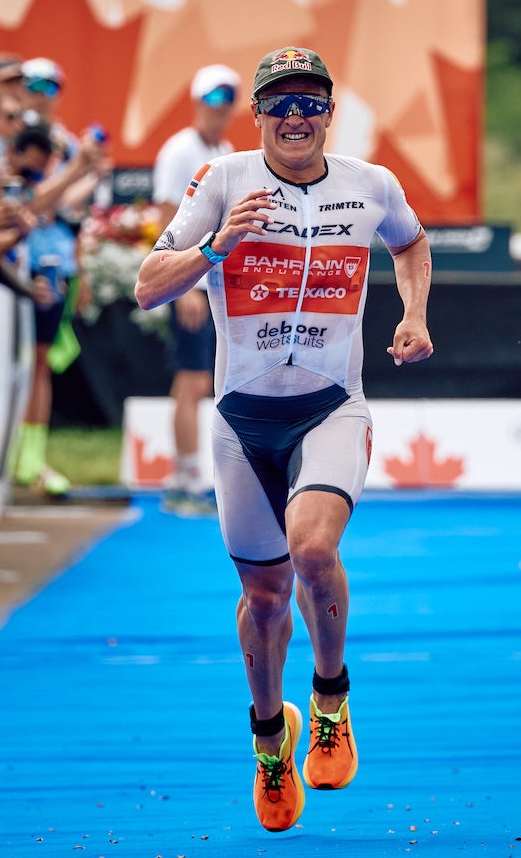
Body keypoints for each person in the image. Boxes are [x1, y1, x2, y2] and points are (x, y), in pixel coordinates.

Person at [134, 46, 434, 833]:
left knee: (311, 548)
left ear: (329, 114)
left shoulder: (373, 186)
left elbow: (410, 242)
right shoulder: (223, 180)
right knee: (264, 600)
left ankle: (331, 697)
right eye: (280, 104)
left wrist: (413, 314)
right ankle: (272, 742)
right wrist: (214, 248)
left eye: (311, 103)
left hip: (333, 405)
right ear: (257, 115)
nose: (295, 117)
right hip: (242, 419)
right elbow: (145, 284)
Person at [151, 64, 241, 515]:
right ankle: (183, 479)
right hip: (190, 280)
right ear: (196, 102)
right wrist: (181, 287)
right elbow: (168, 219)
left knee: (200, 380)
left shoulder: (223, 149)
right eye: (212, 102)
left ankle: (187, 475)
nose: (219, 112)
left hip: (211, 283)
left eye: (226, 104)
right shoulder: (180, 150)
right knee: (190, 381)